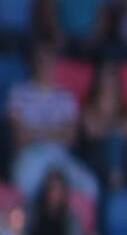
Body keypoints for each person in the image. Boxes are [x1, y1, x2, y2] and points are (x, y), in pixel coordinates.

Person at [7, 44, 99, 200]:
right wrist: (55, 131)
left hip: (59, 155)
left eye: (49, 61)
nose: (45, 65)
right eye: (41, 60)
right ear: (33, 62)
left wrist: (34, 131)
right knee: (23, 184)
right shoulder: (18, 94)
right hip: (31, 154)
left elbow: (70, 138)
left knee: (90, 187)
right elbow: (20, 138)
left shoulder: (66, 97)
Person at [80, 61, 127, 190]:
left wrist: (109, 127)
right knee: (114, 138)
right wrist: (116, 128)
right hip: (96, 157)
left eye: (111, 77)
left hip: (123, 155)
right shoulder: (89, 107)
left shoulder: (125, 109)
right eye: (105, 77)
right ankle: (115, 184)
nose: (108, 82)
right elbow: (92, 132)